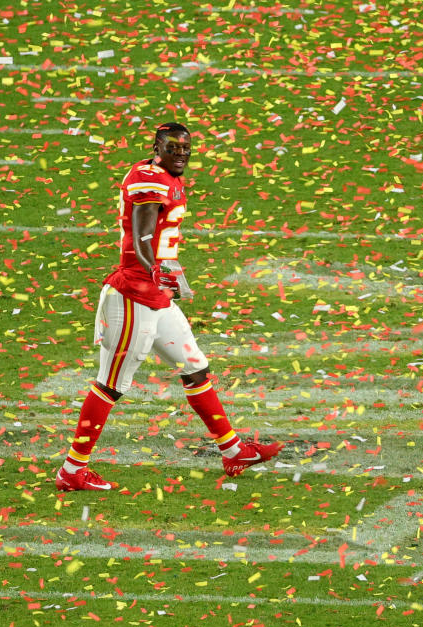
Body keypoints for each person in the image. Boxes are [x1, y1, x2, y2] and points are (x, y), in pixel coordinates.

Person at [55, 121, 282, 491]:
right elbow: (143, 236)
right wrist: (154, 269)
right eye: (173, 148)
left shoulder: (164, 177)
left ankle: (234, 450)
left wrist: (160, 275)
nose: (181, 155)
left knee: (195, 369)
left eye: (186, 149)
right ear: (157, 147)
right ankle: (71, 470)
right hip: (132, 296)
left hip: (155, 295)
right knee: (110, 386)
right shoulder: (151, 177)